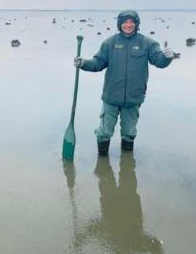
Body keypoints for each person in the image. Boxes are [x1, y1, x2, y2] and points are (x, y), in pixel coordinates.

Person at [73, 10, 175, 155]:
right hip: (111, 97)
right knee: (104, 132)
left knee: (129, 133)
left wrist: (167, 57)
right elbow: (98, 63)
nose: (128, 25)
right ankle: (102, 163)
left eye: (131, 22)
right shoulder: (110, 43)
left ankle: (127, 166)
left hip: (134, 98)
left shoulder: (147, 43)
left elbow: (159, 61)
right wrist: (83, 63)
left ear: (136, 24)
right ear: (119, 24)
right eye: (125, 22)